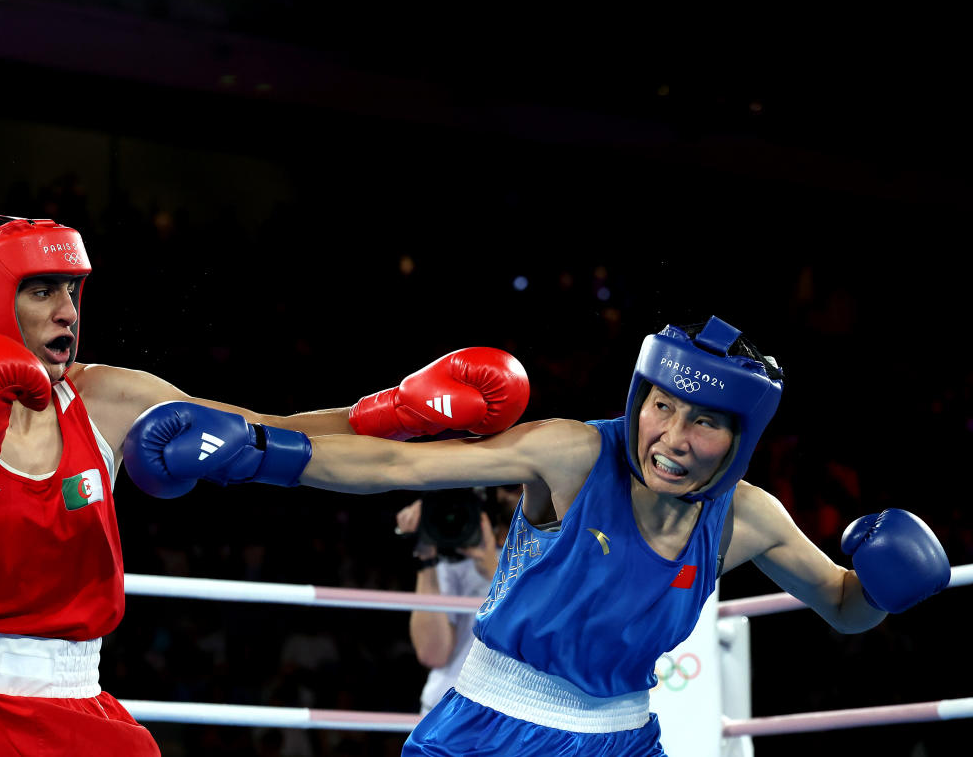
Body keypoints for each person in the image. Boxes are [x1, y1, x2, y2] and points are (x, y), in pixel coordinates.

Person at [122, 315, 952, 756]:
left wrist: (885, 583)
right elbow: (399, 471)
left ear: (742, 439)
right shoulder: (574, 454)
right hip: (488, 726)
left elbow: (845, 608)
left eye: (703, 420)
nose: (670, 434)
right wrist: (263, 451)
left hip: (625, 740)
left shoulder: (746, 519)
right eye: (662, 404)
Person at [0, 214, 531, 755]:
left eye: (73, 289)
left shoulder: (105, 398)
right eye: (42, 290)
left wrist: (401, 412)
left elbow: (265, 428)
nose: (67, 310)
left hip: (73, 700)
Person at [395, 485, 522, 714]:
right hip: (449, 707)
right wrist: (426, 558)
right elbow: (432, 652)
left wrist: (495, 572)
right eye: (510, 485)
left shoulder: (556, 554)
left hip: (514, 715)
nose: (521, 490)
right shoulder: (458, 552)